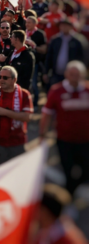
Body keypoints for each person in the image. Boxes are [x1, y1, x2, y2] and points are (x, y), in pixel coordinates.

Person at [41, 61, 89, 195]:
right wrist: (42, 135)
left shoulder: (87, 90)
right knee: (68, 172)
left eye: (77, 75)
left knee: (86, 172)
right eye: (72, 74)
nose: (74, 77)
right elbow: (47, 114)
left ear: (83, 75)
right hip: (65, 141)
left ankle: (71, 192)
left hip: (86, 141)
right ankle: (69, 198)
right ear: (67, 74)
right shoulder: (57, 91)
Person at [45, 20, 89, 88]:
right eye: (62, 25)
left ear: (71, 27)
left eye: (66, 25)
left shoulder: (78, 41)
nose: (64, 27)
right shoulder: (55, 39)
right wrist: (46, 72)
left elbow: (84, 57)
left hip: (72, 76)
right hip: (56, 74)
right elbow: (49, 57)